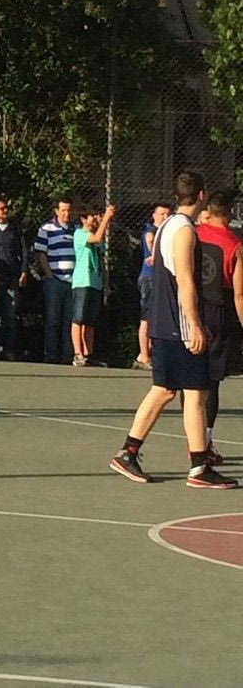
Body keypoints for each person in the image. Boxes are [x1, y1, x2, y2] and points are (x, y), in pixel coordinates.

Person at [110, 171, 236, 489]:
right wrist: (194, 324)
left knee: (169, 390)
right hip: (178, 325)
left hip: (164, 322)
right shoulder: (184, 231)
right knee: (195, 392)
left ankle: (130, 453)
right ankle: (198, 466)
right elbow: (185, 281)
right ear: (202, 195)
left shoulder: (167, 225)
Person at [194, 189, 243, 465]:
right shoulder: (234, 245)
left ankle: (195, 440)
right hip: (218, 313)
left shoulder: (193, 234)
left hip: (190, 308)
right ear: (231, 212)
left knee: (191, 379)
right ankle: (205, 441)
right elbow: (239, 295)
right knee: (211, 381)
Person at [33, 197, 76, 364]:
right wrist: (49, 275)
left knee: (69, 321)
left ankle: (67, 356)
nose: (66, 213)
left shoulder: (76, 229)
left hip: (73, 281)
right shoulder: (46, 228)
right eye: (63, 210)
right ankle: (50, 356)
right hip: (55, 280)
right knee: (53, 320)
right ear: (57, 211)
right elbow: (41, 253)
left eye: (69, 210)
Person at [70, 204, 115, 367]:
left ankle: (89, 354)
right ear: (84, 219)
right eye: (93, 216)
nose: (96, 219)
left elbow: (101, 261)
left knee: (90, 321)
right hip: (83, 281)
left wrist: (106, 283)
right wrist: (106, 218)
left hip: (95, 282)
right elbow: (95, 238)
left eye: (98, 216)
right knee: (78, 318)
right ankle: (77, 353)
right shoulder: (80, 234)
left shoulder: (98, 239)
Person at [0, 197, 27, 360]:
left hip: (11, 278)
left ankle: (9, 350)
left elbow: (23, 250)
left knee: (11, 315)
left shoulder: (15, 229)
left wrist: (24, 270)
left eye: (6, 208)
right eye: (1, 208)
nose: (5, 211)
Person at [133, 203, 169, 371]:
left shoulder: (165, 232)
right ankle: (144, 355)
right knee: (146, 318)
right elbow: (149, 239)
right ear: (154, 215)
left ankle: (149, 353)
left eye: (167, 214)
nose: (165, 217)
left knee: (156, 317)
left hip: (160, 278)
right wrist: (155, 252)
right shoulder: (151, 230)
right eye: (161, 214)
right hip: (149, 278)